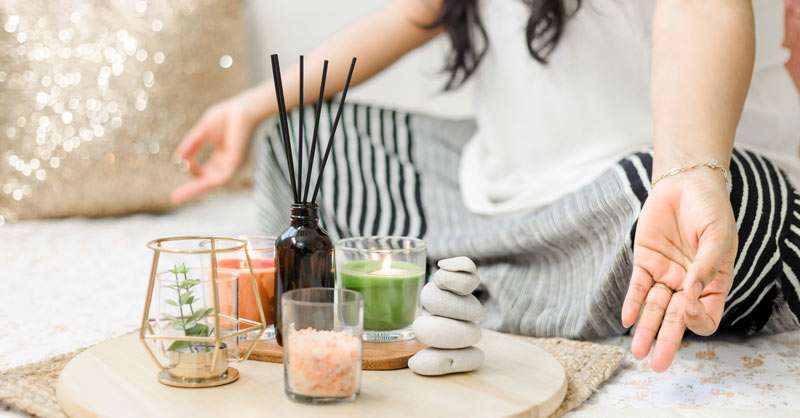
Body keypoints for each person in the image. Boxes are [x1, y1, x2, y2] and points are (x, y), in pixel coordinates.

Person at [172, 0, 800, 372]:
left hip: (664, 185)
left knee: (734, 210)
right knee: (298, 136)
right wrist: (250, 108)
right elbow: (415, 13)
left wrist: (688, 170)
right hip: (499, 193)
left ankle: (460, 287)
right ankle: (510, 283)